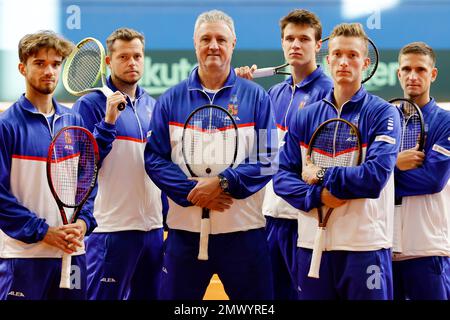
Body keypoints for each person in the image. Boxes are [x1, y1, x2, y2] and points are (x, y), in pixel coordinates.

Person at [144, 9, 277, 300]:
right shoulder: (170, 99)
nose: (213, 45)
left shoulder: (257, 97)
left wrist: (223, 183)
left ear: (233, 44)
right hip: (183, 236)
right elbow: (154, 159)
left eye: (221, 39)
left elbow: (268, 159)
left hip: (245, 235)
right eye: (206, 38)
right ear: (195, 43)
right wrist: (193, 191)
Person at [273, 23, 401, 300]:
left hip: (365, 247)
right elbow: (282, 178)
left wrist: (319, 175)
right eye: (338, 54)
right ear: (327, 59)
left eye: (353, 55)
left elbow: (374, 177)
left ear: (365, 63)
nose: (344, 61)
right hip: (310, 247)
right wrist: (317, 195)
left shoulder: (383, 113)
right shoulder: (305, 116)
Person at [236, 9, 333, 300]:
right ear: (281, 44)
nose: (295, 44)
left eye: (304, 39)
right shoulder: (273, 93)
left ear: (318, 45)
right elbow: (261, 151)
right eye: (289, 38)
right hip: (270, 218)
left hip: (304, 220)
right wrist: (245, 91)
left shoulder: (328, 93)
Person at [0, 30, 97, 300]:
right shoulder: (6, 126)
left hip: (73, 254)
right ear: (22, 68)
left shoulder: (74, 121)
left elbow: (88, 182)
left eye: (55, 64)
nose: (49, 71)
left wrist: (84, 223)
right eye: (39, 63)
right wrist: (43, 232)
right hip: (23, 258)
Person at [72, 28, 164, 300]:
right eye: (123, 56)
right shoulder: (88, 106)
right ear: (108, 62)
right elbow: (83, 165)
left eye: (137, 56)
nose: (132, 62)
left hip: (153, 230)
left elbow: (157, 165)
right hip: (110, 230)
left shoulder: (152, 105)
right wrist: (108, 122)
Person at [392, 42, 450, 300]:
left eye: (420, 69)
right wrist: (394, 163)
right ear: (398, 74)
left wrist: (379, 176)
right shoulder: (384, 119)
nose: (413, 76)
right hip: (383, 247)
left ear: (433, 74)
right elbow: (364, 175)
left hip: (428, 249)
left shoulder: (446, 121)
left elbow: (432, 179)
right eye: (406, 69)